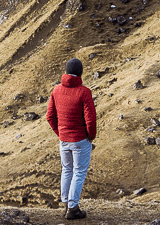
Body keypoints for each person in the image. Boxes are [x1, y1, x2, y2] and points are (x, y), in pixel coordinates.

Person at [46, 57, 97, 220]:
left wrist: (60, 133)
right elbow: (90, 119)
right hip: (80, 140)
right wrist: (90, 137)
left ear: (66, 72)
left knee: (67, 170)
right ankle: (73, 208)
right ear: (80, 72)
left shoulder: (56, 90)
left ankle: (66, 203)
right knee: (79, 172)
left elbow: (50, 116)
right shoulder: (84, 92)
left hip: (64, 140)